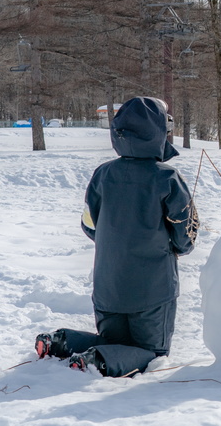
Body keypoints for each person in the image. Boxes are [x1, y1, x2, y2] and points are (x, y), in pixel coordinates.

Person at [35, 97, 199, 377]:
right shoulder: (167, 177)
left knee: (115, 341)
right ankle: (95, 361)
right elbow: (186, 233)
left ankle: (62, 342)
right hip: (153, 289)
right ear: (159, 132)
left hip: (108, 286)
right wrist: (172, 248)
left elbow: (89, 225)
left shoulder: (103, 174)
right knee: (153, 352)